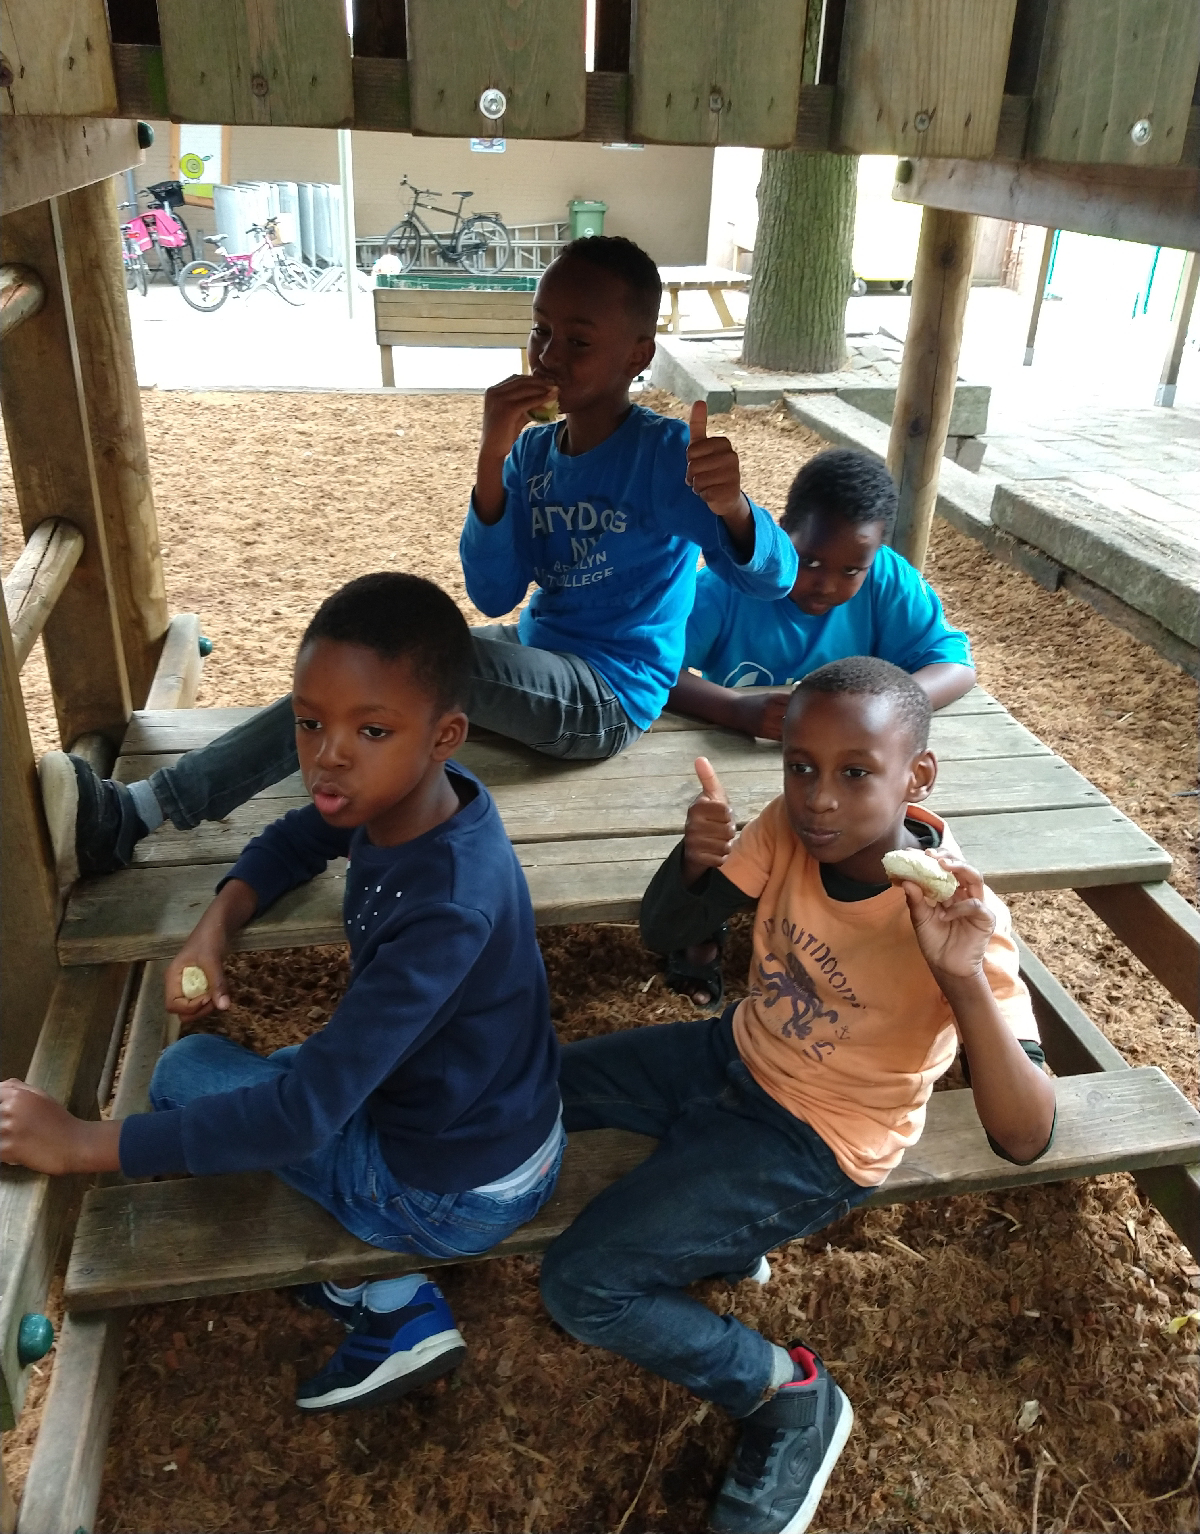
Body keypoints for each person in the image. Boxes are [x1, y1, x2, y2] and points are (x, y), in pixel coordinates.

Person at [38, 234, 796, 889]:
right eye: (541, 331)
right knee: (368, 655)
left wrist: (733, 509)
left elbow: (776, 578)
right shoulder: (534, 453)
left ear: (638, 354)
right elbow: (494, 592)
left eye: (579, 340)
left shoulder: (665, 458)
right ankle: (225, 807)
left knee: (405, 671)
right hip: (539, 650)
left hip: (607, 696)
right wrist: (494, 456)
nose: (549, 355)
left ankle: (139, 814)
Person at [2, 573, 564, 1414]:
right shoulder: (415, 800)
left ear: (446, 734)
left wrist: (83, 1142)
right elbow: (303, 833)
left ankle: (395, 1301)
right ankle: (384, 1280)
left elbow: (301, 1118)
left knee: (187, 1074)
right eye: (309, 722)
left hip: (454, 1193)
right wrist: (214, 926)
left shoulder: (448, 906)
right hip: (485, 1117)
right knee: (276, 1080)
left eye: (370, 729)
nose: (328, 755)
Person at [539, 657, 1055, 1534]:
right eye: (801, 767)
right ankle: (725, 1244)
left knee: (584, 1285)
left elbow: (1026, 1136)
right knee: (534, 1086)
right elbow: (667, 933)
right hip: (734, 1051)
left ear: (917, 776)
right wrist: (693, 864)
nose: (819, 799)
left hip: (819, 1136)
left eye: (856, 773)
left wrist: (961, 979)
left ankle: (788, 1396)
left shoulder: (959, 915)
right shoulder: (789, 827)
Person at [666, 447, 976, 743]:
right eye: (810, 562)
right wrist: (733, 709)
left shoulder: (887, 579)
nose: (826, 586)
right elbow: (651, 665)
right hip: (739, 755)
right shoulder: (726, 587)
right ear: (781, 531)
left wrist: (885, 709)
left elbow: (955, 667)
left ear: (876, 552)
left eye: (851, 571)